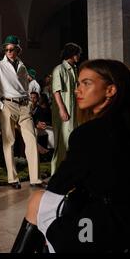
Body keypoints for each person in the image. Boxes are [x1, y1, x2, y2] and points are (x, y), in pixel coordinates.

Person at [11, 59, 130, 253]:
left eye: (86, 83)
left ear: (111, 90)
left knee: (38, 201)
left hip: (103, 231)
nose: (77, 90)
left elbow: (58, 185)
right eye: (78, 83)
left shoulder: (90, 133)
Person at [0, 35, 44, 189]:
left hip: (23, 106)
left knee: (32, 140)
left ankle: (35, 179)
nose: (8, 51)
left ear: (18, 50)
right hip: (7, 105)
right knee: (9, 143)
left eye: (11, 49)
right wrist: (0, 106)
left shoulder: (22, 66)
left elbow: (25, 87)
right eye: (6, 49)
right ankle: (13, 179)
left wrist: (29, 103)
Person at [50, 43, 82, 175]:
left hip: (73, 112)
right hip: (64, 113)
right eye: (78, 54)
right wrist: (62, 110)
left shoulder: (74, 69)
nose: (80, 56)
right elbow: (56, 91)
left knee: (71, 143)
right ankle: (55, 175)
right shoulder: (59, 69)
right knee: (62, 144)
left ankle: (68, 174)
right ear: (73, 54)